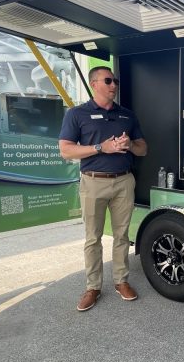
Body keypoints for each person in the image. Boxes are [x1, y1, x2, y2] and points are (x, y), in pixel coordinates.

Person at [59, 66, 147, 312]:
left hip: (123, 181)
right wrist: (101, 148)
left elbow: (143, 149)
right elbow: (66, 150)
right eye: (108, 81)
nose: (113, 85)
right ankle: (93, 287)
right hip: (93, 181)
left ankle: (121, 281)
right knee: (93, 238)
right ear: (94, 84)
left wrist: (130, 145)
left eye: (115, 81)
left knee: (121, 236)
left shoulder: (127, 115)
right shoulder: (77, 114)